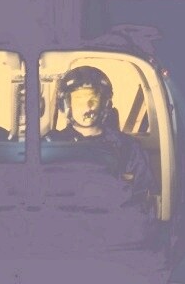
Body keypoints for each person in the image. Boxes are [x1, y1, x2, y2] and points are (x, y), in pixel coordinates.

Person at [46, 65, 157, 201]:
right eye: (79, 100)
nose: (88, 106)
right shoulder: (52, 144)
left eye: (94, 99)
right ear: (67, 105)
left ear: (104, 103)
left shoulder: (127, 147)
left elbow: (143, 197)